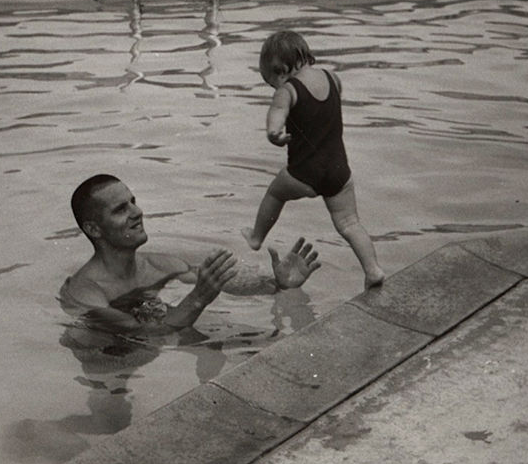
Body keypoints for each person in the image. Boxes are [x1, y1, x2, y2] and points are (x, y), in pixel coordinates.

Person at [60, 173, 321, 336]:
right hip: (106, 358)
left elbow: (222, 282)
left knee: (251, 339)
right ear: (94, 229)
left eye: (134, 202)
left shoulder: (159, 265)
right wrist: (198, 297)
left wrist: (276, 285)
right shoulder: (85, 292)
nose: (137, 212)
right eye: (120, 209)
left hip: (157, 327)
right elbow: (148, 333)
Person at [241, 31, 385, 289]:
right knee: (350, 223)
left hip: (304, 172)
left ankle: (256, 236)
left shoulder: (288, 90)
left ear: (282, 70)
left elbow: (278, 111)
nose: (274, 88)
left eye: (270, 82)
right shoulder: (333, 78)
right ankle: (373, 269)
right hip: (339, 171)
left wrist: (274, 133)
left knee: (275, 193)